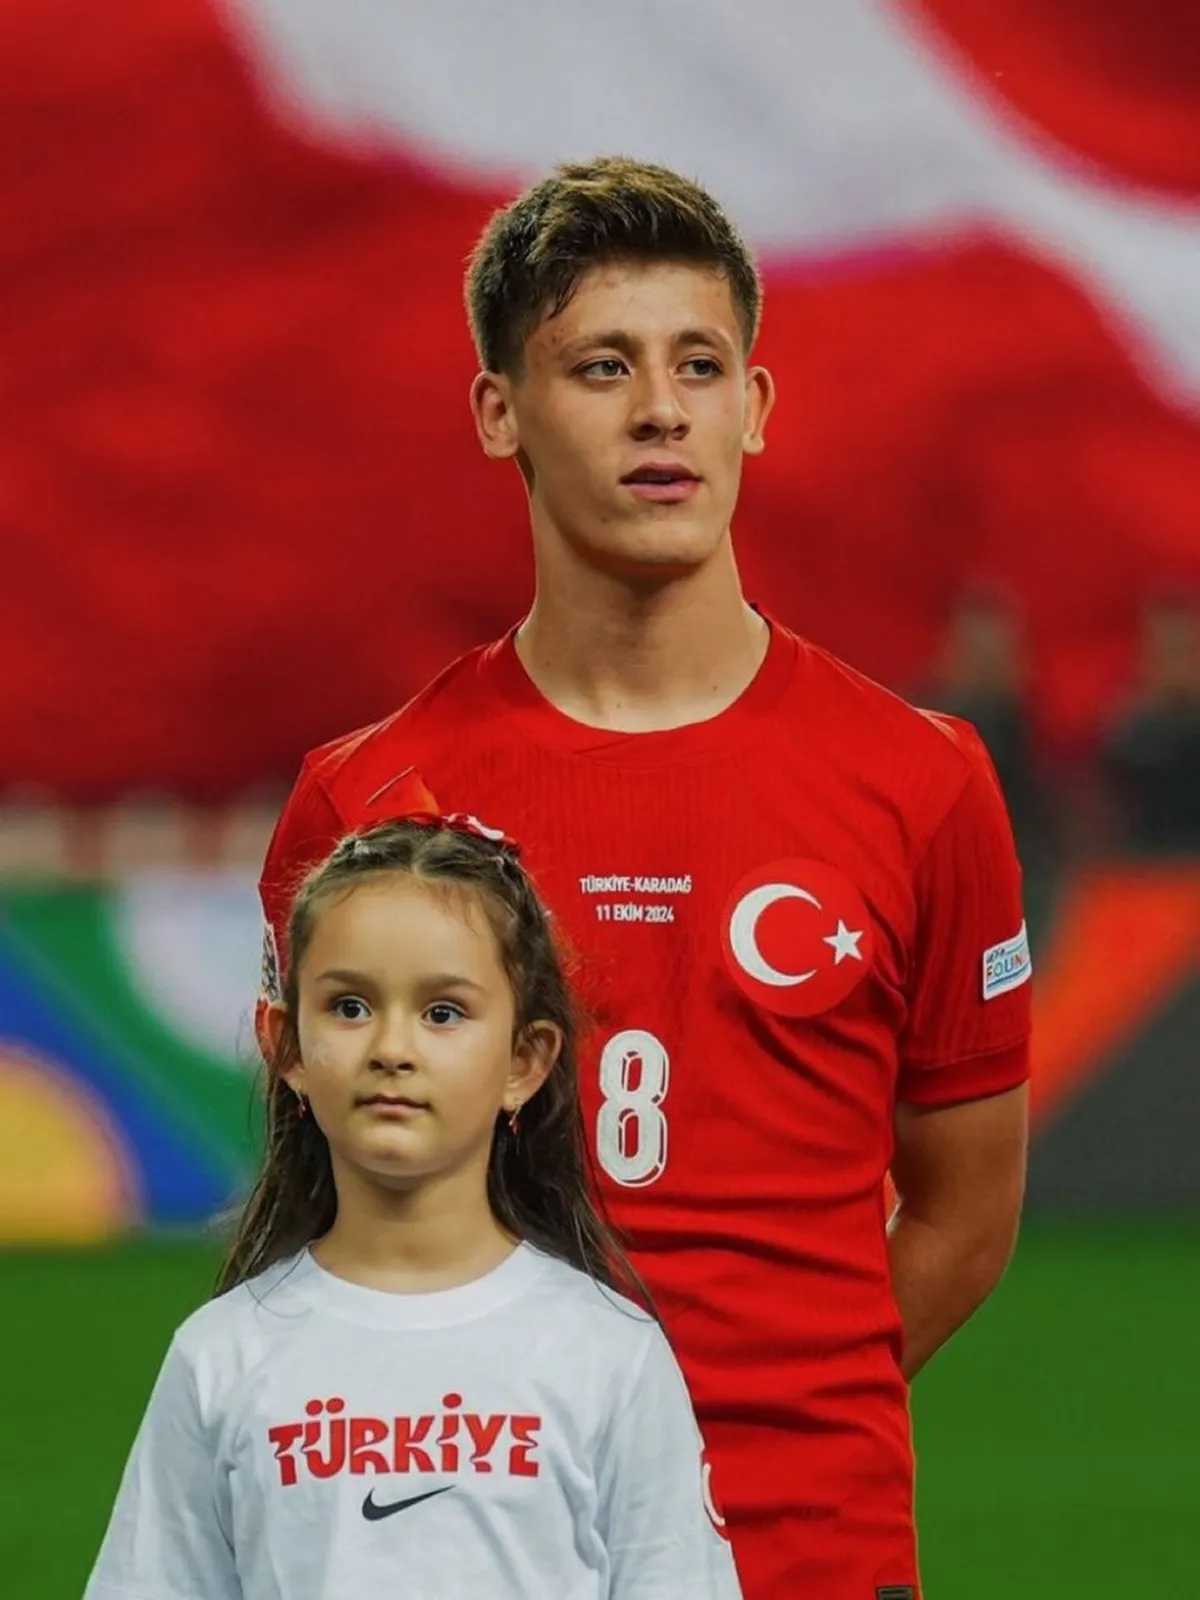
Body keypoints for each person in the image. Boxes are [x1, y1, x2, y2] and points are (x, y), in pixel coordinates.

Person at [259, 157, 1032, 1599]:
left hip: (813, 1546)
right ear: (502, 413)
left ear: (757, 407)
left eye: (699, 364)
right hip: (470, 1545)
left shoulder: (926, 783)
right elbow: (329, 1220)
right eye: (601, 366)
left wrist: (727, 1432)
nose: (660, 410)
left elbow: (967, 1215)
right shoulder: (367, 801)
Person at [86, 807, 742, 1600]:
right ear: (287, 1047)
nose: (392, 1048)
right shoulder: (221, 1356)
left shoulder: (610, 1352)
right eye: (351, 1007)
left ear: (524, 1060)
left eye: (443, 1013)